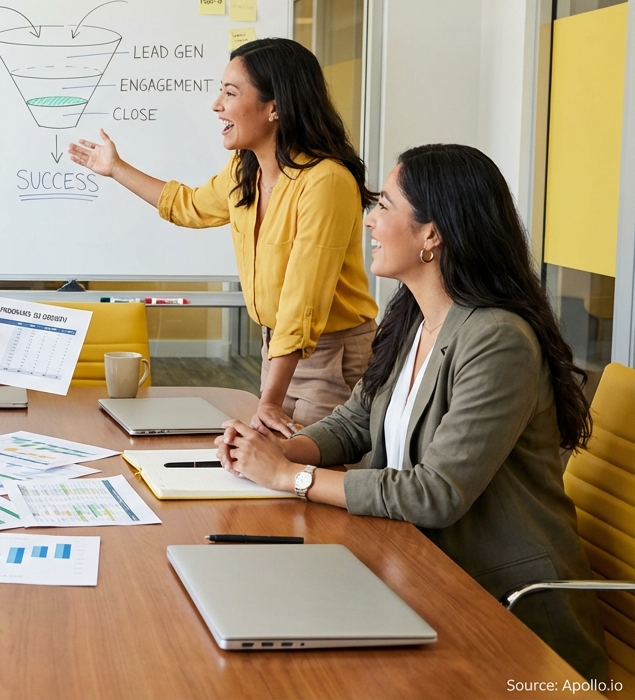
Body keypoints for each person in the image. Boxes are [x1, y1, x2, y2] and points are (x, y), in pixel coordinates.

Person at [216, 144, 607, 680]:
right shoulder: (413, 318)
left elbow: (436, 492)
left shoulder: (498, 340)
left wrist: (291, 476)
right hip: (418, 569)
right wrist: (270, 451)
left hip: (504, 610)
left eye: (385, 205)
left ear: (433, 233)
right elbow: (355, 421)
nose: (370, 221)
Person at [70, 37, 377, 435]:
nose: (217, 105)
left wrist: (268, 400)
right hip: (279, 352)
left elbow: (303, 304)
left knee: (306, 476)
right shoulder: (244, 170)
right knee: (271, 466)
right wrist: (115, 167)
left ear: (275, 107)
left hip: (331, 355)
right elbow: (188, 205)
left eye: (230, 93)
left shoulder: (325, 181)